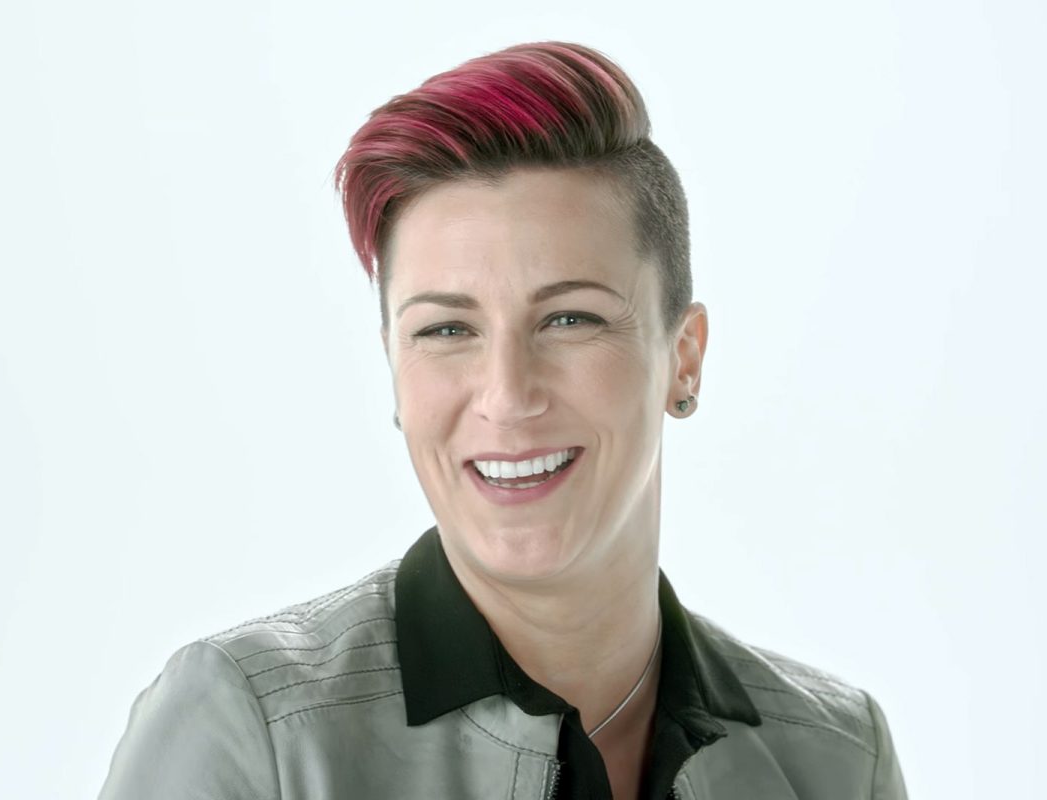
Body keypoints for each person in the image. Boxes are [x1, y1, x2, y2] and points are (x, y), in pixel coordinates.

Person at [99, 41, 909, 799]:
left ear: (684, 357)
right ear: (395, 366)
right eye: (446, 331)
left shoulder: (837, 758)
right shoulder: (251, 732)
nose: (507, 394)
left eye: (570, 319)